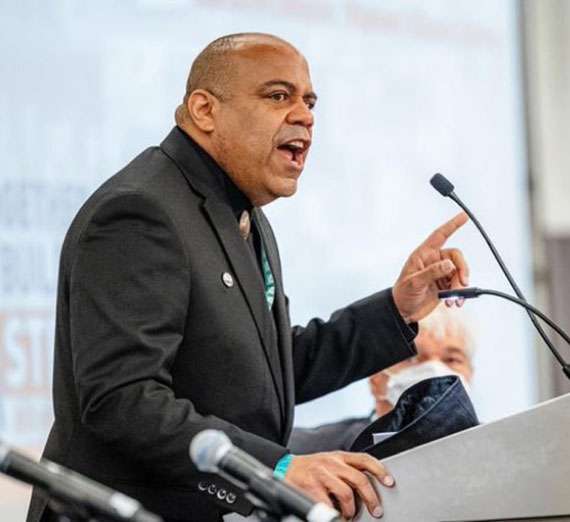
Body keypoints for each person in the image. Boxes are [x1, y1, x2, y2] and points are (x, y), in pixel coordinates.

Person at [27, 33, 469, 522]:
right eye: (278, 96)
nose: (305, 115)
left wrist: (398, 308)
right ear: (204, 110)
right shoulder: (140, 211)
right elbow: (122, 400)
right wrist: (276, 468)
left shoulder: (244, 215)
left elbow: (267, 372)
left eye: (309, 101)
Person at [288, 305, 475, 454]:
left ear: (470, 374)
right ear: (376, 380)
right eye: (412, 357)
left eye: (452, 359)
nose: (435, 369)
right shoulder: (302, 452)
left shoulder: (496, 448)